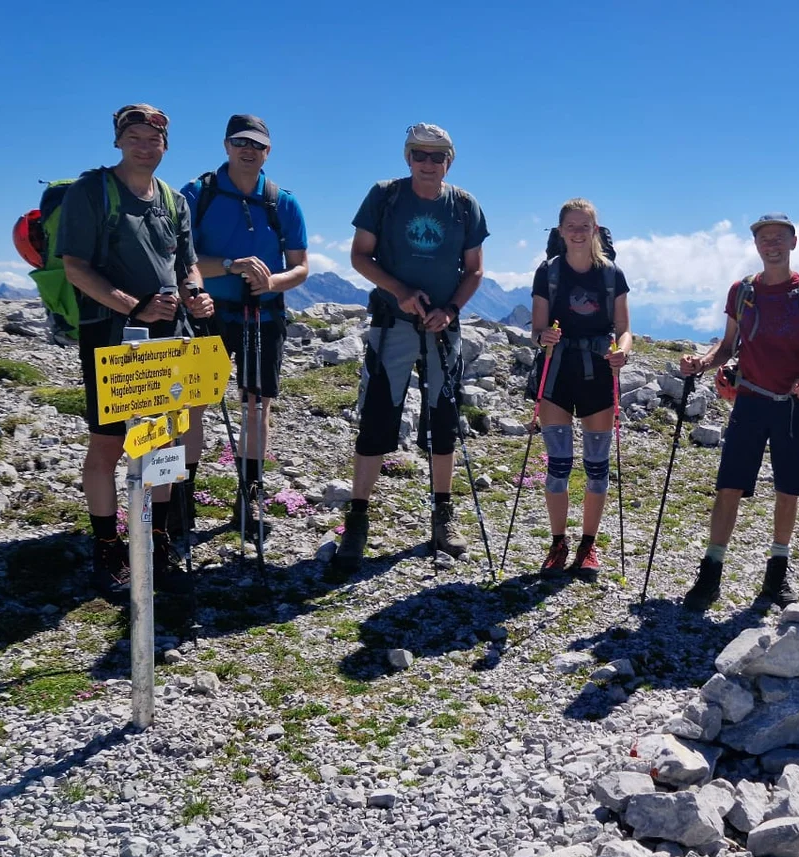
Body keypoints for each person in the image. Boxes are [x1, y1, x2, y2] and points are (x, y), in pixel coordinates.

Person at [57, 104, 213, 601]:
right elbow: (75, 266)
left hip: (166, 339)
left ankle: (156, 537)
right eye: (136, 137)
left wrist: (195, 293)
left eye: (155, 139)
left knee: (162, 439)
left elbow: (186, 262)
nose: (146, 146)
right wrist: (133, 306)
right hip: (108, 334)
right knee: (109, 443)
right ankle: (107, 544)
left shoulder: (172, 200)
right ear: (119, 141)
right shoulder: (92, 191)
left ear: (166, 145)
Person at [331, 123, 490, 573]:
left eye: (437, 156)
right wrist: (399, 291)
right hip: (392, 322)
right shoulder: (385, 196)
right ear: (407, 157)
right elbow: (360, 255)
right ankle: (357, 520)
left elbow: (475, 269)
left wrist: (452, 309)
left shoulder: (464, 206)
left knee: (443, 417)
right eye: (420, 154)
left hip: (443, 325)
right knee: (379, 414)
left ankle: (442, 515)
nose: (427, 162)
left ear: (448, 162)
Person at [677, 214, 799, 611]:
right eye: (765, 239)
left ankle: (776, 574)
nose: (772, 244)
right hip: (750, 399)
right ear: (757, 246)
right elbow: (728, 346)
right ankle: (711, 571)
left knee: (788, 490)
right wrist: (703, 362)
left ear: (793, 242)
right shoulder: (742, 292)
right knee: (729, 485)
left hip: (792, 406)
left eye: (779, 238)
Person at [181, 114, 310, 545]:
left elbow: (300, 267)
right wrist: (234, 265)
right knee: (195, 404)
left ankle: (249, 496)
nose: (248, 150)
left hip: (265, 312)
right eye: (240, 142)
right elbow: (183, 259)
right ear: (226, 145)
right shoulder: (197, 194)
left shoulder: (282, 201)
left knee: (257, 405)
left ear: (268, 152)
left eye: (257, 144)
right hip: (208, 311)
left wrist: (271, 282)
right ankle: (182, 497)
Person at [529, 199, 633, 579]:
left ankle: (587, 546)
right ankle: (559, 543)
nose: (577, 232)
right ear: (560, 231)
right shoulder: (548, 273)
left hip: (598, 373)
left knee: (596, 466)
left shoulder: (611, 275)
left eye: (584, 226)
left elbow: (624, 329)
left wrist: (622, 352)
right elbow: (536, 331)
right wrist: (545, 335)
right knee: (558, 466)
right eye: (571, 226)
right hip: (557, 373)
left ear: (594, 230)